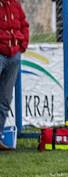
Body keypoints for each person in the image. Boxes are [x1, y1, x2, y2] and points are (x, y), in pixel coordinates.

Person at [0, 0, 29, 151]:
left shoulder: (14, 4)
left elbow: (24, 24)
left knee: (5, 99)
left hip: (14, 56)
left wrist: (22, 45)